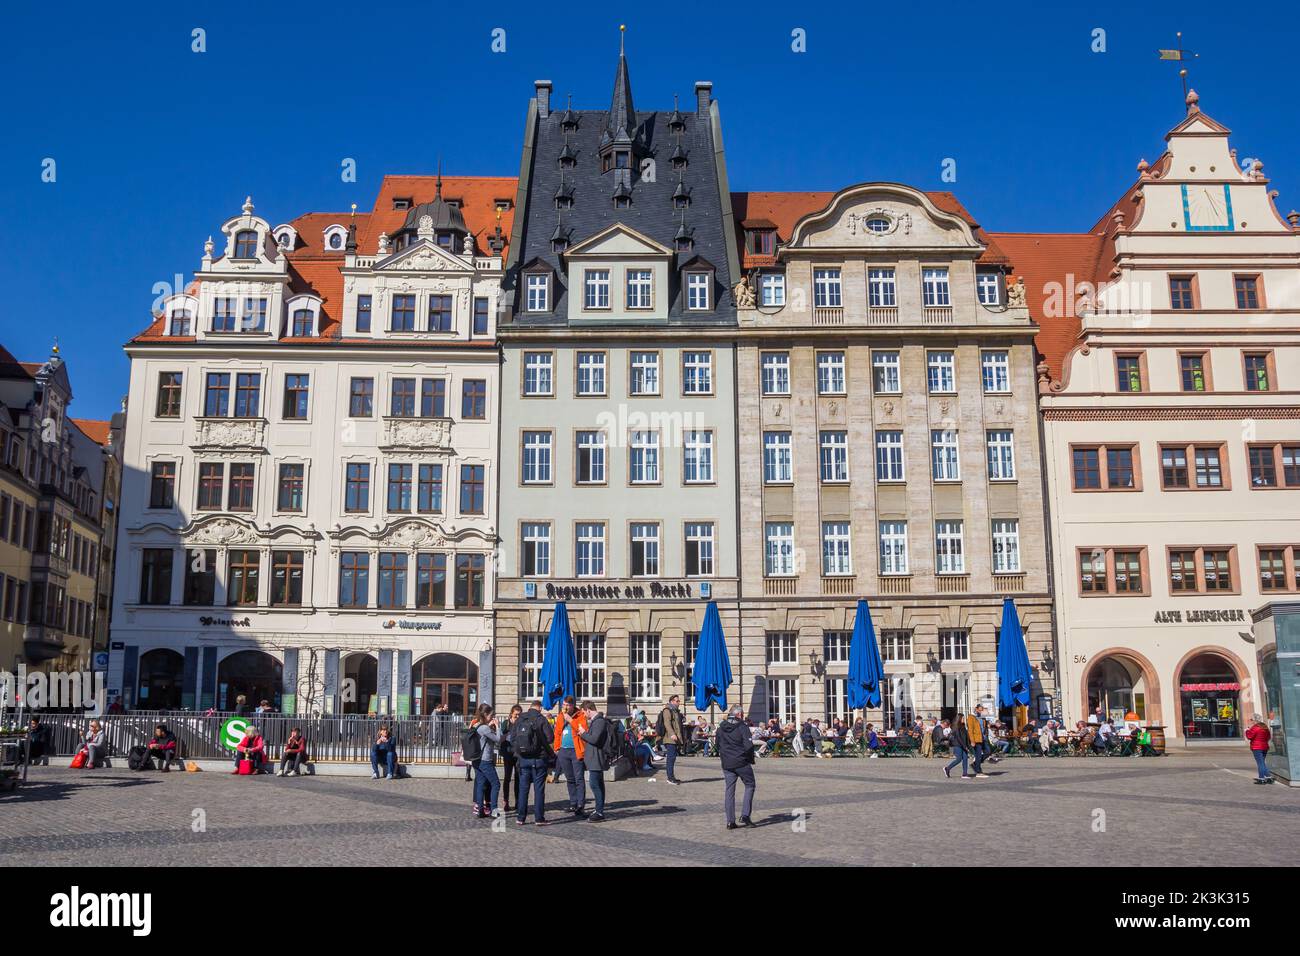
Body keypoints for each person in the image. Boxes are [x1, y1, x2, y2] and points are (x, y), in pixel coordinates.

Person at [511, 699, 554, 826]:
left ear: (530, 707)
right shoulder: (541, 719)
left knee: (523, 789)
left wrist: (519, 752)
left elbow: (512, 738)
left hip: (523, 760)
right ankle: (539, 818)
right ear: (539, 708)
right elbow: (550, 737)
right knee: (539, 789)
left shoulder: (520, 719)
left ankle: (520, 817)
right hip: (539, 759)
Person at [716, 705, 756, 830]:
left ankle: (730, 821)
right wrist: (749, 759)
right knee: (750, 785)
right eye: (742, 714)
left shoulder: (721, 727)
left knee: (729, 791)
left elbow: (717, 744)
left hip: (727, 763)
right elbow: (749, 745)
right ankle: (745, 815)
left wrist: (725, 755)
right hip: (741, 762)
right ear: (738, 715)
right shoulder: (742, 727)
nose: (743, 716)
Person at [552, 696, 589, 816]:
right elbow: (557, 732)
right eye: (563, 705)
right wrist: (557, 748)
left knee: (579, 778)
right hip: (564, 751)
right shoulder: (561, 716)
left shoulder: (580, 716)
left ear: (573, 706)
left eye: (567, 705)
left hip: (576, 751)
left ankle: (580, 805)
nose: (565, 708)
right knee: (570, 779)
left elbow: (582, 730)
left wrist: (570, 720)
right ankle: (573, 803)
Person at [578, 701, 612, 821]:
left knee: (594, 784)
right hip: (595, 757)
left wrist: (583, 733)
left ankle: (599, 811)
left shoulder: (599, 722)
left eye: (584, 712)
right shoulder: (597, 721)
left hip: (596, 757)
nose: (584, 715)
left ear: (588, 710)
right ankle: (599, 809)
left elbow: (594, 739)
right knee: (598, 784)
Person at [471, 704, 503, 817]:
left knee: (480, 784)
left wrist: (489, 725)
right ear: (485, 714)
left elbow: (484, 735)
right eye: (491, 715)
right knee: (496, 784)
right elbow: (498, 739)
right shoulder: (485, 728)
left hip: (476, 760)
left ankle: (480, 810)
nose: (493, 717)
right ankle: (494, 810)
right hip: (485, 760)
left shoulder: (477, 725)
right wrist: (498, 727)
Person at [655, 695, 687, 785]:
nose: (679, 702)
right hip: (669, 737)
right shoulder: (667, 710)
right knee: (670, 758)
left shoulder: (675, 711)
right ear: (672, 701)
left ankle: (672, 777)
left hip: (675, 737)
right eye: (677, 701)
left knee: (673, 758)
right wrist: (672, 734)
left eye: (679, 701)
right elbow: (667, 723)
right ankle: (670, 778)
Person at [500, 704, 522, 813]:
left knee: (518, 778)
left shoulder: (522, 723)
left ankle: (518, 801)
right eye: (515, 715)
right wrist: (508, 732)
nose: (517, 717)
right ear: (511, 714)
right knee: (507, 778)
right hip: (508, 753)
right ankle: (506, 801)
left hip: (518, 754)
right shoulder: (506, 723)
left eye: (519, 715)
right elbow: (501, 737)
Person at [1245, 715, 1274, 784]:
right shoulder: (1265, 727)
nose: (1251, 721)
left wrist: (1247, 731)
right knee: (1262, 762)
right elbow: (1268, 737)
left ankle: (1261, 778)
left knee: (1260, 763)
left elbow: (1249, 736)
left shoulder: (1255, 727)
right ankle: (1268, 777)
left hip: (1257, 747)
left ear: (1255, 720)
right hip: (1264, 746)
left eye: (1252, 720)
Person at [944, 712, 973, 780]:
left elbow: (966, 736)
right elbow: (959, 737)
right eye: (963, 718)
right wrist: (964, 746)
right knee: (959, 759)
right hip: (958, 745)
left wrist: (968, 745)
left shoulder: (963, 726)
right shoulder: (956, 726)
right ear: (959, 719)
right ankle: (947, 768)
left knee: (965, 759)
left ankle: (965, 774)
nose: (964, 719)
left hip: (963, 745)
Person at [966, 707, 988, 777]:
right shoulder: (971, 717)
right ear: (976, 709)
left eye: (982, 710)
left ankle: (975, 764)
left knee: (988, 751)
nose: (981, 711)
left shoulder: (983, 717)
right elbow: (970, 730)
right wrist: (972, 740)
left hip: (983, 738)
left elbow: (984, 728)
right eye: (980, 710)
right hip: (976, 739)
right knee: (978, 755)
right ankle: (978, 771)